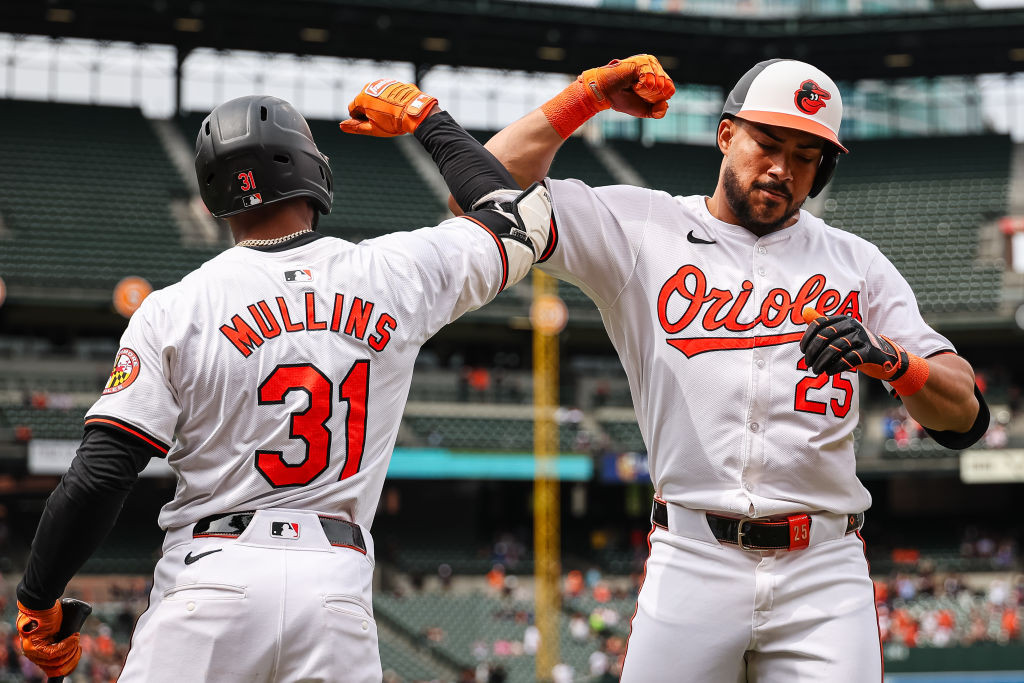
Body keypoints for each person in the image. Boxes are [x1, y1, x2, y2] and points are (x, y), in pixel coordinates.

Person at [473, 55, 989, 681]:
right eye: (767, 144)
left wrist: (897, 363)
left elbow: (965, 416)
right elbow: (479, 190)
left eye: (806, 156)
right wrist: (583, 100)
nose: (782, 169)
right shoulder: (641, 226)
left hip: (823, 567)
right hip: (692, 554)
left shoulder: (857, 262)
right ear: (725, 135)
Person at [15, 84, 551, 681]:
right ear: (311, 170)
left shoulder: (176, 307)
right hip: (335, 592)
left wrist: (39, 599)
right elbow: (518, 220)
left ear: (213, 193)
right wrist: (428, 119)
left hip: (210, 578)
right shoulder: (395, 272)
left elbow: (100, 476)